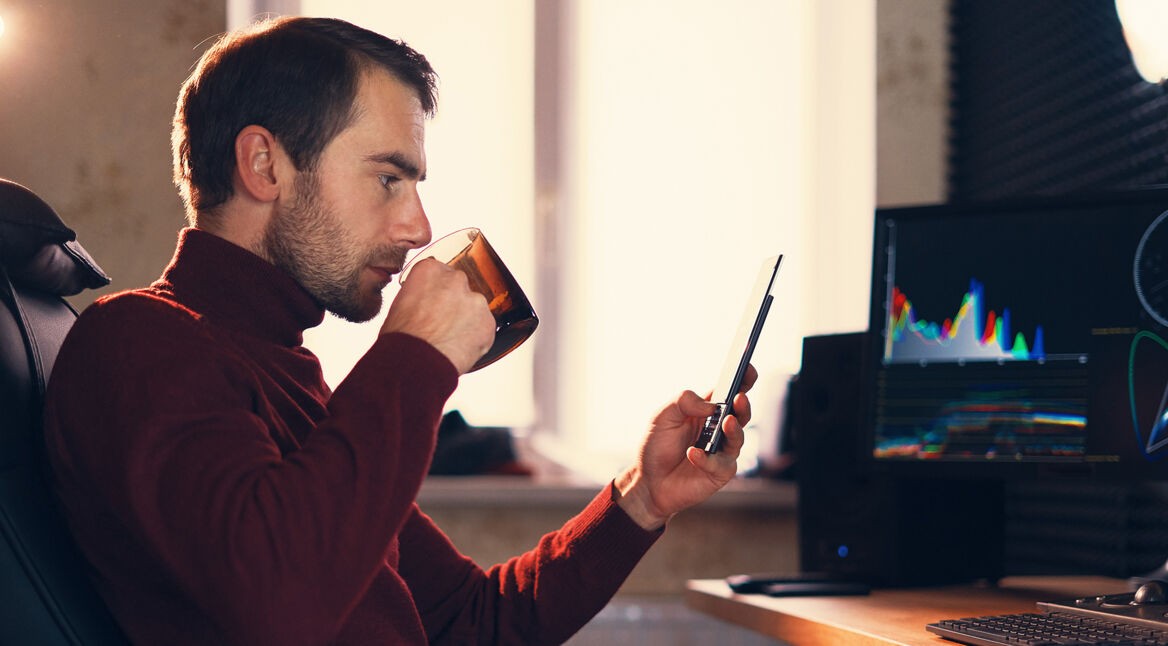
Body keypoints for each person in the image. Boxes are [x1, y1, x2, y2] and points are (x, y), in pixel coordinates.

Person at [43, 15, 755, 646]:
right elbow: (281, 604)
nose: (418, 228)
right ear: (264, 165)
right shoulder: (139, 342)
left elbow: (474, 620)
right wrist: (414, 355)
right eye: (389, 179)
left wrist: (641, 499)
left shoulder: (288, 376)